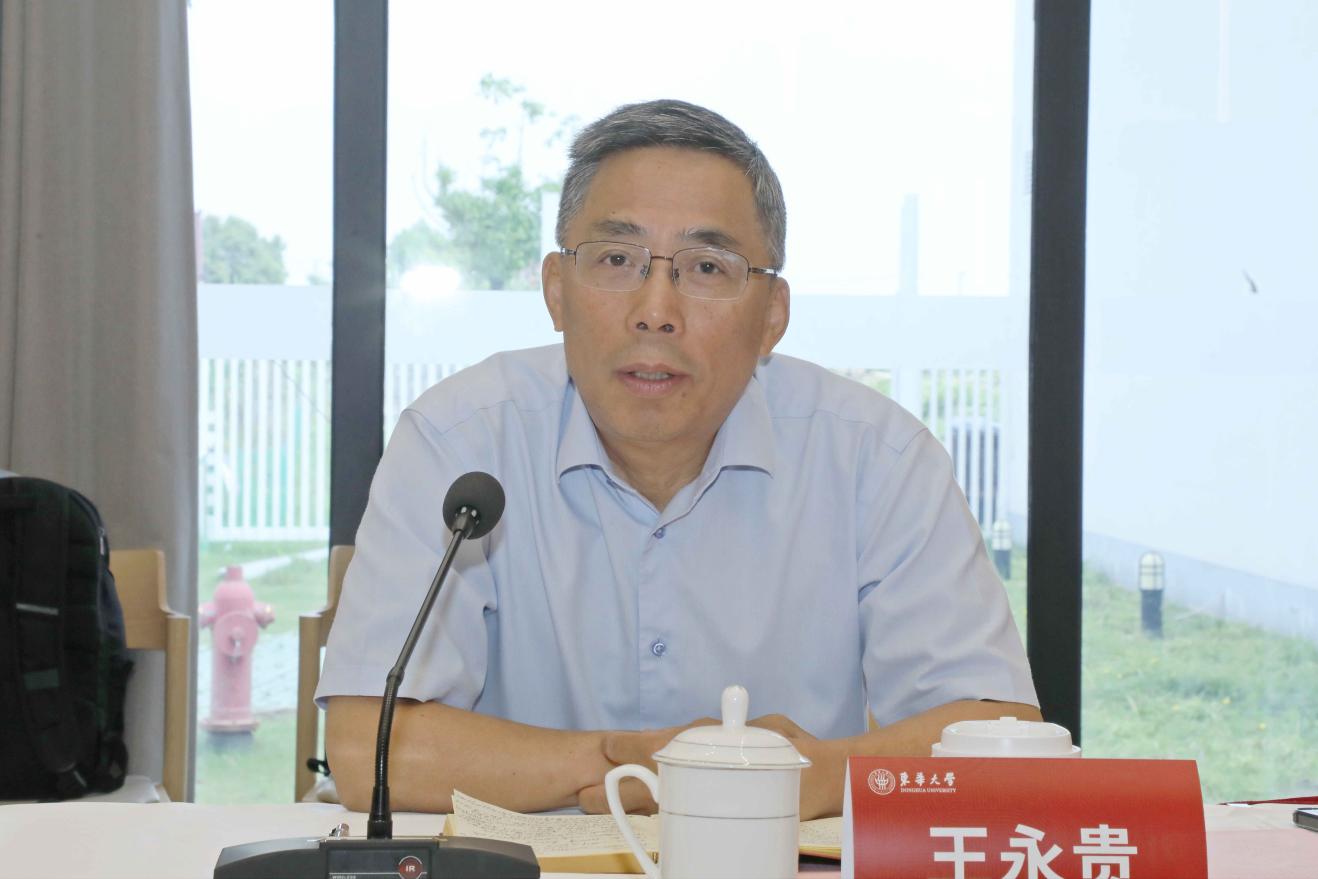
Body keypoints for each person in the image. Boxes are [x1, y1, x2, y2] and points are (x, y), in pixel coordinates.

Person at [317, 99, 1039, 820]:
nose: (656, 310)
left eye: (706, 266)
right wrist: (664, 766)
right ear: (556, 291)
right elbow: (365, 749)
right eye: (616, 260)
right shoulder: (458, 444)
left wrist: (802, 778)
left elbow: (1002, 737)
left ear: (772, 315)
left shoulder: (877, 460)